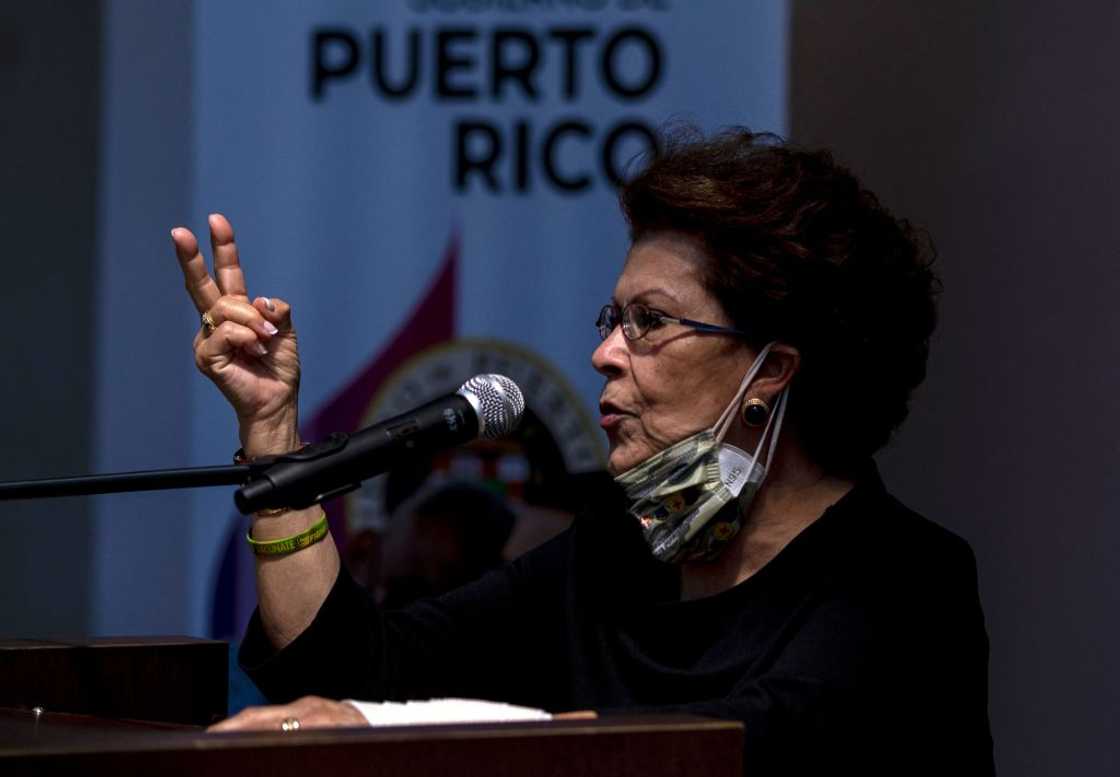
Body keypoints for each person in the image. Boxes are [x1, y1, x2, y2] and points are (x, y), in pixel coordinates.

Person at [172, 129, 993, 774]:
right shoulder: (612, 557)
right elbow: (351, 671)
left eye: (651, 321)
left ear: (770, 371)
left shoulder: (906, 581)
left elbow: (739, 742)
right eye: (614, 320)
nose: (605, 352)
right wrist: (273, 428)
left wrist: (384, 726)